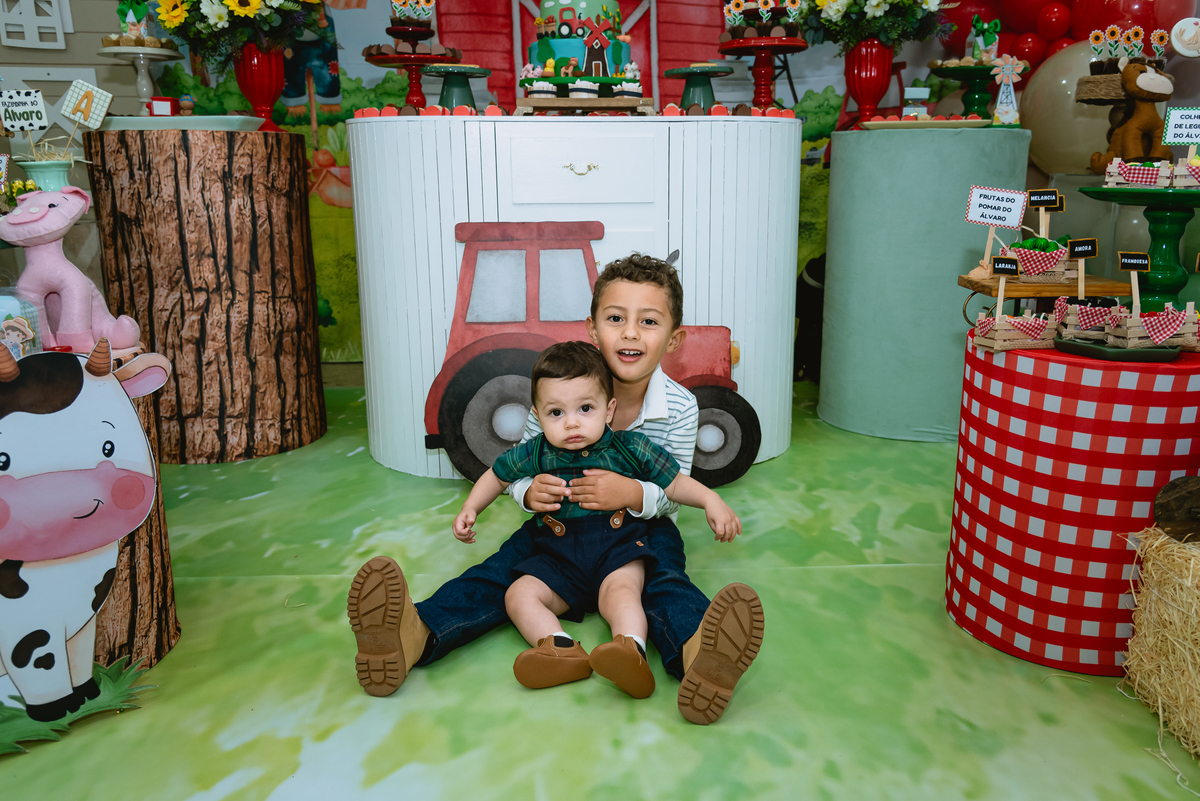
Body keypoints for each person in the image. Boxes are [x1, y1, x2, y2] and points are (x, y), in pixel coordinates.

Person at [347, 254, 766, 725]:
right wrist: (528, 493)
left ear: (673, 338)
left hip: (640, 530)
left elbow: (672, 488)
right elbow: (516, 467)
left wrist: (632, 494)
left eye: (647, 321)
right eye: (615, 319)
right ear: (593, 329)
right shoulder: (555, 392)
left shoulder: (682, 406)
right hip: (555, 529)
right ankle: (414, 633)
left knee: (664, 584)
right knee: (498, 573)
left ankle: (697, 656)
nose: (630, 333)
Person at [452, 341, 741, 699]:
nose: (571, 422)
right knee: (519, 594)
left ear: (609, 409)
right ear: (538, 416)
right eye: (556, 413)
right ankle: (558, 648)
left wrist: (711, 500)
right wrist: (471, 508)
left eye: (585, 408)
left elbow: (676, 482)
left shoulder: (630, 447)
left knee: (622, 595)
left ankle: (630, 651)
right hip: (557, 552)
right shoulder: (537, 451)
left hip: (617, 547)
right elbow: (496, 476)